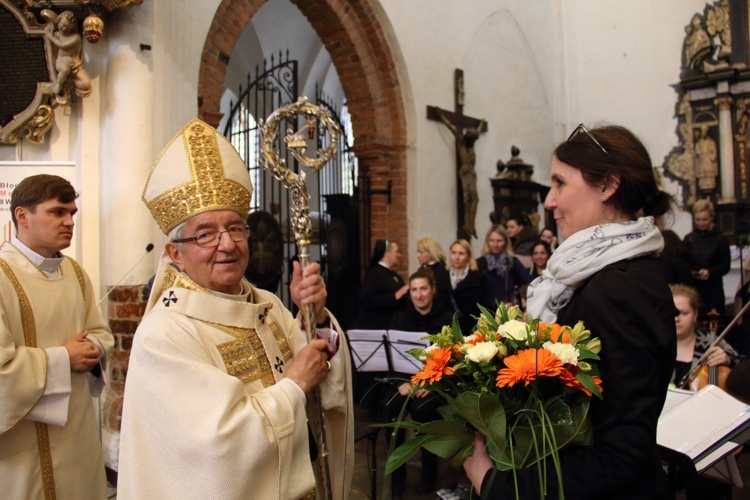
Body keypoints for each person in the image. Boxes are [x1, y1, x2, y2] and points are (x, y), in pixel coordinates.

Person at [117, 118, 354, 499]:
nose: (226, 244)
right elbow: (217, 444)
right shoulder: (165, 334)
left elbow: (323, 381)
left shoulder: (268, 307)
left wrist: (317, 317)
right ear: (175, 254)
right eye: (205, 234)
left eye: (235, 228)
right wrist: (294, 384)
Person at [464, 124, 677, 498]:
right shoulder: (596, 276)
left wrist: (500, 485)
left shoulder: (618, 289)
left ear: (608, 186)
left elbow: (622, 455)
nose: (548, 201)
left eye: (560, 183)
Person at [0, 174, 113, 499]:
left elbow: (100, 333)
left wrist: (94, 349)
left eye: (72, 213)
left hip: (76, 434)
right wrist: (64, 358)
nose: (69, 222)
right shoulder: (4, 275)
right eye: (57, 212)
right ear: (23, 215)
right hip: (20, 448)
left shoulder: (75, 274)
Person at [385, 268, 454, 495]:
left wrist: (431, 384)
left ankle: (428, 470)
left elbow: (453, 359)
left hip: (432, 384)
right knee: (390, 407)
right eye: (414, 290)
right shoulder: (399, 318)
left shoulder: (445, 319)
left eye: (423, 288)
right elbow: (392, 358)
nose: (419, 294)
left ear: (433, 290)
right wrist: (399, 384)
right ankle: (396, 474)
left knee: (422, 411)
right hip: (405, 381)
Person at [670, 284, 738, 389]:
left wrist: (729, 360)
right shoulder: (653, 344)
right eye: (672, 313)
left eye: (683, 313)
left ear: (695, 314)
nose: (676, 319)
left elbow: (743, 372)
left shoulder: (713, 342)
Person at [436, 109, 485, 239]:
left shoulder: (471, 144)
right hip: (465, 173)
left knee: (474, 199)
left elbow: (478, 131)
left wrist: (480, 124)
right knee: (469, 199)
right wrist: (441, 117)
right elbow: (451, 127)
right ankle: (468, 225)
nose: (473, 142)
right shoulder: (461, 141)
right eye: (472, 139)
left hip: (472, 173)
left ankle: (471, 225)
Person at [683, 199, 730, 319]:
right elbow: (683, 262)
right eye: (698, 220)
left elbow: (725, 266)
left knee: (714, 322)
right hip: (694, 288)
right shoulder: (689, 239)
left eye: (705, 219)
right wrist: (691, 272)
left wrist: (710, 272)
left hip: (713, 290)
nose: (701, 223)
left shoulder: (720, 238)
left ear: (711, 218)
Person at [354, 239, 409, 329]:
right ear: (386, 254)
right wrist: (395, 296)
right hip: (377, 326)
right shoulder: (374, 274)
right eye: (396, 251)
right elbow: (368, 300)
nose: (399, 255)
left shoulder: (394, 275)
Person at [475, 225, 531, 306]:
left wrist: (519, 297)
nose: (495, 244)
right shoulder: (480, 263)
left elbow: (529, 281)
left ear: (505, 242)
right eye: (492, 240)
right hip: (486, 311)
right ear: (487, 242)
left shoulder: (512, 262)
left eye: (499, 241)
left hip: (508, 309)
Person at [45, 11, 92, 97]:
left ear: (71, 27)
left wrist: (50, 37)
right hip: (61, 62)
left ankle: (70, 81)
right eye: (62, 25)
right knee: (65, 70)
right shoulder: (57, 35)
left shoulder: (75, 38)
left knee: (86, 85)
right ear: (58, 22)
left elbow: (62, 45)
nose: (63, 28)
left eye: (66, 27)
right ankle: (58, 84)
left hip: (76, 66)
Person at [447, 239, 486, 334]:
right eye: (453, 253)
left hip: (469, 327)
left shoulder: (478, 277)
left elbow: (480, 306)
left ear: (468, 256)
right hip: (446, 326)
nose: (456, 257)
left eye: (461, 254)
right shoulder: (442, 276)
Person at [416, 237, 453, 313]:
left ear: (431, 252)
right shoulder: (422, 268)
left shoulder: (441, 270)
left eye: (421, 252)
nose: (418, 256)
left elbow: (443, 296)